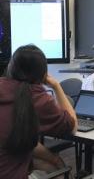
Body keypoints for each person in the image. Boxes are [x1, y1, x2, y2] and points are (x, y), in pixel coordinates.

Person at [0, 45, 77, 179]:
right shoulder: (37, 98)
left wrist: (53, 158)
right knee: (59, 168)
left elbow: (19, 140)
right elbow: (72, 127)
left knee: (50, 164)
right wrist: (56, 86)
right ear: (43, 74)